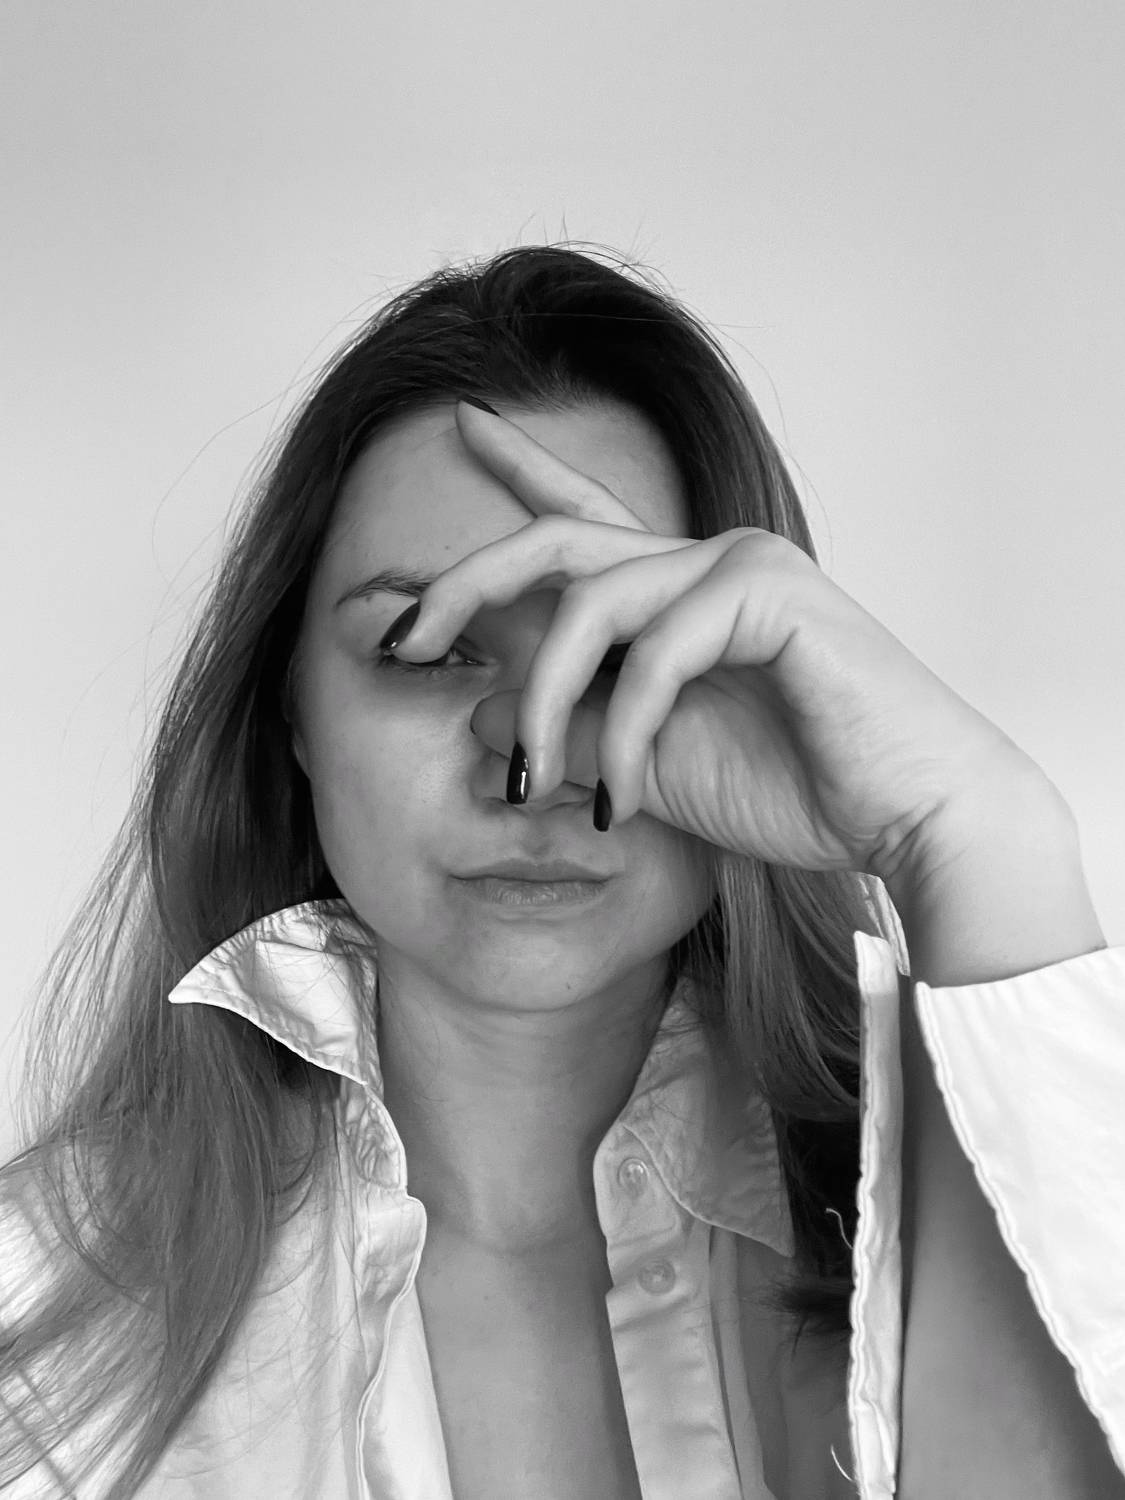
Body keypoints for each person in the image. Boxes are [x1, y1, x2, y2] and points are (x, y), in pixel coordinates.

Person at [1, 245, 1122, 1500]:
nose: (535, 762)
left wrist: (966, 831)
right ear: (292, 716)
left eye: (621, 649)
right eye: (426, 649)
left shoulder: (957, 1221)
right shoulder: (37, 1322)